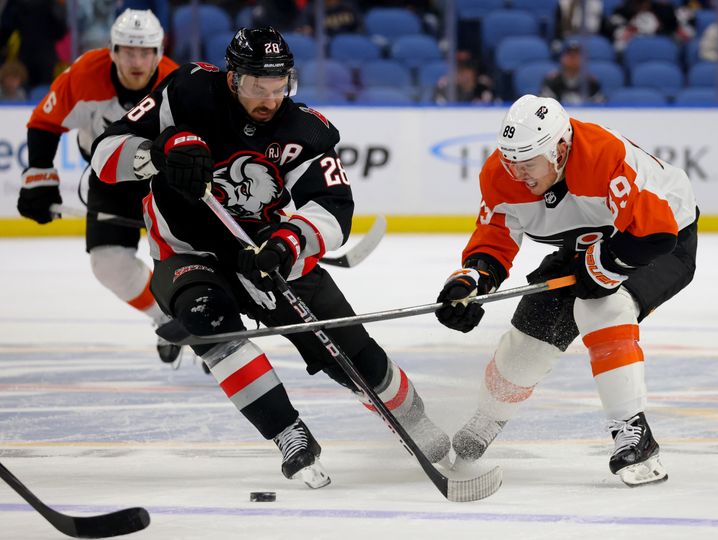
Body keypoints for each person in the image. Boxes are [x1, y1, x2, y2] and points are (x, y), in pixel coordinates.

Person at [90, 26, 450, 487]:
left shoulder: (305, 129)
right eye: (258, 86)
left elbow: (334, 209)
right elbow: (105, 154)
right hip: (185, 249)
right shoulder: (186, 92)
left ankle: (418, 425)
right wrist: (157, 153)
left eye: (279, 87)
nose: (269, 98)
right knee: (210, 323)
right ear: (232, 77)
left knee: (354, 352)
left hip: (261, 250)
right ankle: (288, 433)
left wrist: (287, 243)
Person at [434, 95, 699, 486]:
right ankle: (488, 418)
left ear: (560, 150)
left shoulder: (602, 155)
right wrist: (472, 280)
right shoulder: (500, 173)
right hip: (589, 241)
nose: (517, 173)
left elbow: (652, 233)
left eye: (527, 164)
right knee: (532, 330)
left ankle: (633, 432)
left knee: (602, 307)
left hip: (660, 240)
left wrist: (604, 265)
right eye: (511, 162)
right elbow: (495, 238)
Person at [16, 9, 181, 363]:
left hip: (164, 181)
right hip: (111, 178)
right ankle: (167, 318)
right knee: (109, 264)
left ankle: (201, 309)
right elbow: (45, 122)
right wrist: (39, 179)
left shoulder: (178, 83)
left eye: (145, 52)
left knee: (190, 258)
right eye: (128, 51)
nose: (136, 61)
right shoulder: (83, 75)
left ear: (159, 52)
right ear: (112, 50)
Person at [540, 40, 604, 105]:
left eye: (576, 54)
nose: (573, 58)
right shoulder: (551, 81)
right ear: (562, 58)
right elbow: (544, 105)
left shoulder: (591, 83)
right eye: (569, 54)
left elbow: (600, 107)